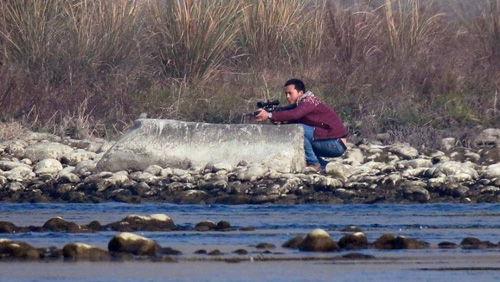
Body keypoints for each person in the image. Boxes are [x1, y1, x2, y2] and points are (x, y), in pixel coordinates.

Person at [255, 78, 348, 171]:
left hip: (336, 144)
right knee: (295, 131)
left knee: (298, 130)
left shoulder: (309, 101)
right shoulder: (301, 104)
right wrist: (277, 119)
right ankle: (324, 165)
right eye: (286, 94)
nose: (287, 96)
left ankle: (313, 163)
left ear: (300, 92)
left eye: (290, 93)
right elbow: (291, 119)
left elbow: (295, 114)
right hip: (330, 141)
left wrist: (270, 115)